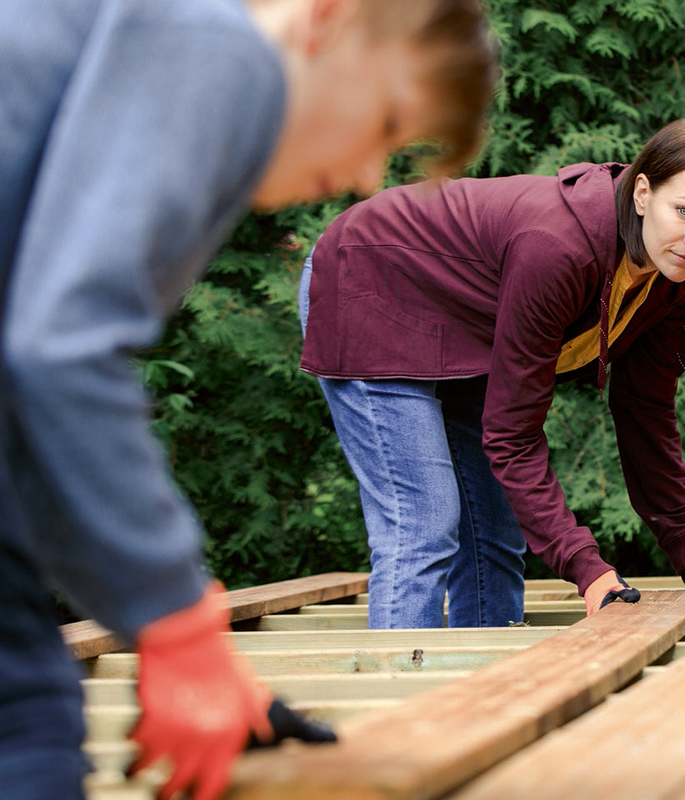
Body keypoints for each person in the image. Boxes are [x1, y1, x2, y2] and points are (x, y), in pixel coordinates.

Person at [0, 1, 494, 799]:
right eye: (385, 123)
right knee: (25, 729)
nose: (369, 177)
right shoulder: (217, 44)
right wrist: (178, 627)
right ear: (328, 18)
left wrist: (186, 643)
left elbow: (26, 397)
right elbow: (62, 352)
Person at [298, 118, 685, 628]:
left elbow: (644, 408)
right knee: (424, 522)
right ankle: (400, 677)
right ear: (642, 193)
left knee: (494, 528)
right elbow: (512, 436)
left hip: (464, 322)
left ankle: (486, 678)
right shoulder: (558, 249)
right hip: (372, 282)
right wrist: (588, 570)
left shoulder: (678, 268)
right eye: (684, 211)